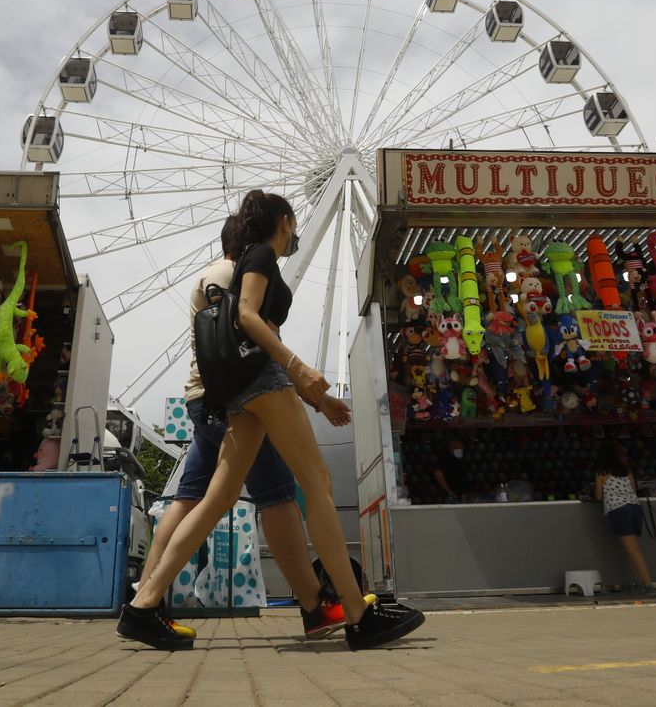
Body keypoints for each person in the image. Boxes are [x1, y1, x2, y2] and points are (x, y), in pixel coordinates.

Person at [119, 190, 426, 651]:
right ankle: (357, 613)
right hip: (261, 380)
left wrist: (316, 399)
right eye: (294, 222)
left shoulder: (247, 259)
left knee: (216, 498)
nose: (297, 231)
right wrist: (298, 367)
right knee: (316, 481)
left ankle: (142, 606)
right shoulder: (260, 254)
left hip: (240, 391)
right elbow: (247, 317)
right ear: (284, 221)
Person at [138, 214, 353, 640]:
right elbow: (247, 335)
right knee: (277, 496)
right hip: (241, 397)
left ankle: (145, 597)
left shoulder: (223, 275)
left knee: (192, 499)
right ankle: (314, 604)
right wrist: (301, 380)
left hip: (208, 399)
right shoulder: (229, 275)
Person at [596, 446, 654, 592]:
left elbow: (599, 496)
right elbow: (634, 488)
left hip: (618, 510)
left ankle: (647, 584)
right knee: (632, 549)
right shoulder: (626, 471)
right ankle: (637, 582)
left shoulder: (602, 473)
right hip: (635, 508)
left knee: (633, 550)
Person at [433, 436, 468, 502]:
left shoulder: (459, 460)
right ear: (451, 448)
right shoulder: (445, 459)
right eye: (458, 447)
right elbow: (437, 473)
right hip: (450, 496)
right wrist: (449, 491)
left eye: (461, 447)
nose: (460, 449)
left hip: (460, 495)